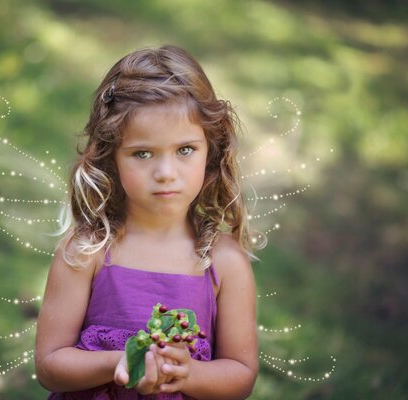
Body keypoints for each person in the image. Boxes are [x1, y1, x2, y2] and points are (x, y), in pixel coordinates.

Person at [34, 44, 260, 399]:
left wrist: (188, 374)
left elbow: (241, 375)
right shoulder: (86, 252)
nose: (166, 173)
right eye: (142, 153)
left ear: (210, 150)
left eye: (185, 150)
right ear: (111, 158)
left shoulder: (225, 262)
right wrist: (118, 363)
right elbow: (50, 366)